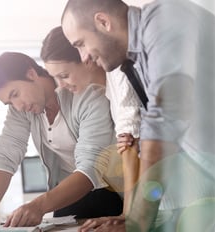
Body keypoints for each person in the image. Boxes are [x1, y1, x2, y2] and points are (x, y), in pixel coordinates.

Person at [61, 0, 215, 231]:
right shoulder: (137, 63)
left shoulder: (165, 18)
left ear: (103, 22)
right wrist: (134, 215)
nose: (83, 57)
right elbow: (160, 146)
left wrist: (139, 220)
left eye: (81, 44)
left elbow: (165, 120)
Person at [0, 52, 123, 228]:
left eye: (15, 94)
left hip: (111, 192)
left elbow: (91, 167)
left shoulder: (87, 96)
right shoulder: (22, 110)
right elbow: (5, 157)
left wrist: (38, 205)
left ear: (31, 74)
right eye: (9, 102)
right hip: (67, 196)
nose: (18, 106)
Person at [40, 25, 141, 216]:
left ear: (84, 57)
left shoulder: (119, 76)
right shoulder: (107, 92)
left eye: (64, 75)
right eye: (55, 79)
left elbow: (132, 151)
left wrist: (128, 217)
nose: (60, 86)